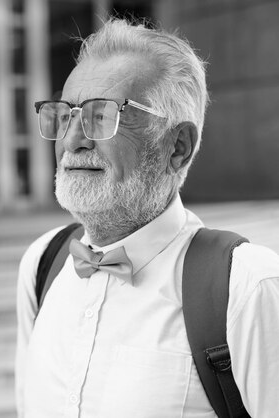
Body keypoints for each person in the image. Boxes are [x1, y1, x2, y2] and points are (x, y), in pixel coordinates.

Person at [15, 18, 279, 417]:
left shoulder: (249, 287)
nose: (72, 141)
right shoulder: (42, 263)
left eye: (101, 116)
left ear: (178, 147)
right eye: (66, 115)